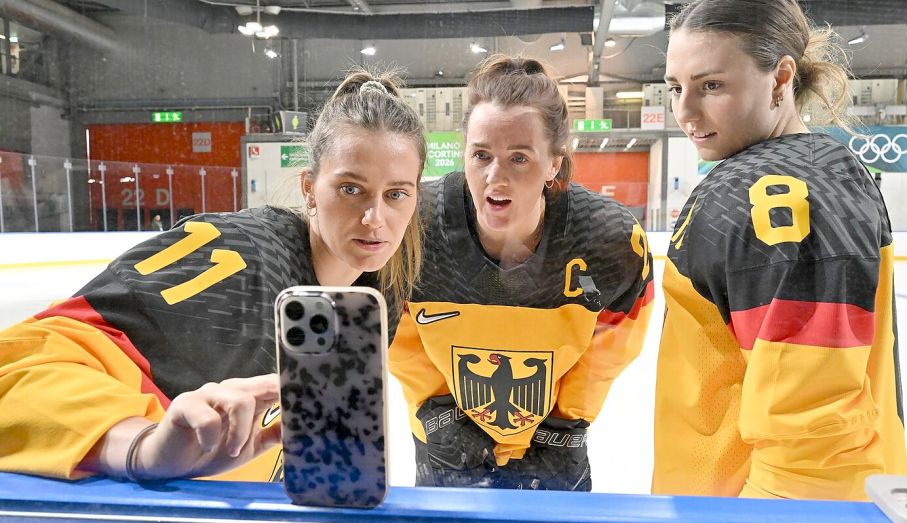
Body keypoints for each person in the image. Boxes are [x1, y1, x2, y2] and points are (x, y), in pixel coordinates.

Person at [0, 70, 426, 483]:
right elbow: (21, 366)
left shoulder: (372, 296)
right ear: (309, 188)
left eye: (396, 194)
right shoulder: (238, 258)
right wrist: (141, 447)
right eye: (350, 188)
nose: (375, 219)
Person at [652, 0, 907, 500]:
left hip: (747, 522)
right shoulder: (791, 171)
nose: (684, 111)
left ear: (779, 78)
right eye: (676, 88)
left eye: (711, 85)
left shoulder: (781, 192)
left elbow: (811, 447)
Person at [388, 55, 655, 491]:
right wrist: (436, 411)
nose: (496, 177)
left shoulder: (608, 239)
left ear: (554, 163)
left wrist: (565, 425)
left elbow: (616, 336)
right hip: (443, 449)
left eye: (519, 158)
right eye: (481, 155)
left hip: (553, 452)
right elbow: (391, 324)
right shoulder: (417, 226)